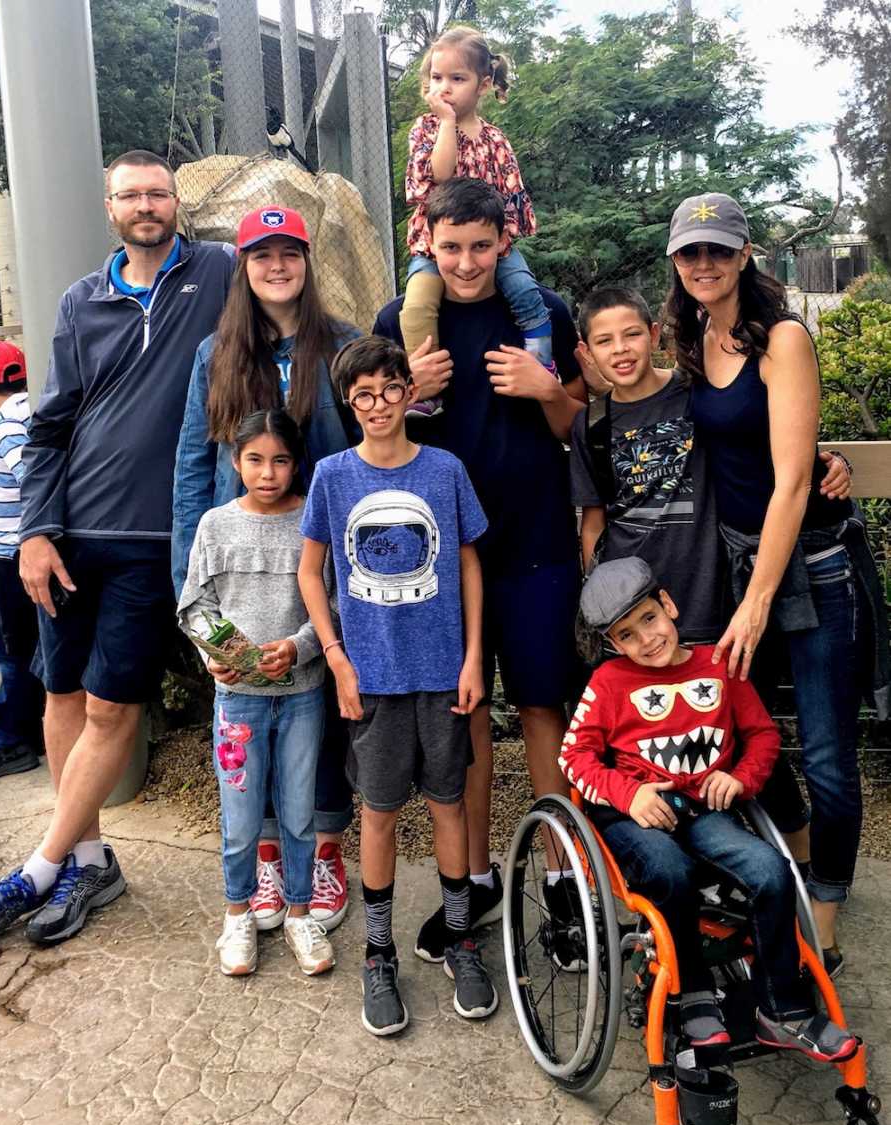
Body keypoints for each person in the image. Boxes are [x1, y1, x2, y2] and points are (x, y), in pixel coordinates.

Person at [0, 149, 235, 945]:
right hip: (68, 534)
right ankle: (89, 858)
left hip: (155, 535)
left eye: (157, 192)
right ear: (110, 207)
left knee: (109, 702)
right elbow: (50, 426)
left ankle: (37, 869)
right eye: (129, 194)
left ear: (177, 201)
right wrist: (34, 530)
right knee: (61, 694)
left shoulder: (219, 274)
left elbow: (294, 304)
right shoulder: (80, 301)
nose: (145, 205)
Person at [664, 191, 890, 977]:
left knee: (827, 754)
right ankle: (795, 861)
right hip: (734, 562)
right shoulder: (693, 338)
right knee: (739, 733)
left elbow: (793, 481)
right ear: (675, 263)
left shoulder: (783, 338)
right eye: (691, 253)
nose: (704, 265)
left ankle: (822, 920)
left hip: (811, 567)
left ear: (745, 255)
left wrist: (758, 599)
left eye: (718, 251)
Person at [374, 177, 587, 962]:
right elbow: (373, 433)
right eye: (451, 247)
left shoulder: (548, 314)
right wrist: (406, 394)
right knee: (461, 724)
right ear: (428, 242)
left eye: (481, 247)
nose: (466, 264)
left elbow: (585, 431)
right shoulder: (401, 321)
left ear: (505, 242)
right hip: (437, 560)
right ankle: (470, 885)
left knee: (540, 711)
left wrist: (548, 392)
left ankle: (563, 890)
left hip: (534, 545)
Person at [561, 556, 858, 1062]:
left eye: (650, 619)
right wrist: (629, 793)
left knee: (771, 869)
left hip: (705, 808)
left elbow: (763, 735)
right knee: (669, 872)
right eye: (628, 634)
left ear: (669, 605)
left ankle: (781, 1009)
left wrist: (740, 777)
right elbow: (573, 756)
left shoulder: (718, 667)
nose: (647, 639)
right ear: (614, 645)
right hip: (636, 814)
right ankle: (692, 992)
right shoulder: (609, 684)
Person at [298, 335, 498, 1036]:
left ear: (410, 393)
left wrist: (474, 658)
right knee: (378, 813)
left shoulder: (444, 470)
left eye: (390, 389)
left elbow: (470, 565)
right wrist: (338, 658)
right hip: (372, 679)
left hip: (442, 672)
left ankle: (461, 937)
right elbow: (309, 571)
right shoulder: (331, 475)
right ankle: (378, 954)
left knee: (449, 805)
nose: (378, 404)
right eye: (363, 394)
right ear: (348, 403)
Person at [172, 205, 361, 937]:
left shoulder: (340, 344)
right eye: (261, 255)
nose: (276, 266)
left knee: (319, 719)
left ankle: (326, 850)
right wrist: (192, 603)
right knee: (252, 726)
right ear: (243, 269)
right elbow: (194, 466)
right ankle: (271, 858)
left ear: (307, 263)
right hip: (242, 573)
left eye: (289, 253)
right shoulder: (214, 354)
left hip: (318, 570)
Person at [569, 286, 852, 645]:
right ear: (587, 351)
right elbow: (594, 522)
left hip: (709, 593)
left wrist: (834, 462)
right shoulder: (591, 426)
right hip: (633, 608)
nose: (621, 349)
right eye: (604, 341)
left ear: (654, 334)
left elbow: (759, 436)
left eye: (632, 334)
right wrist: (602, 594)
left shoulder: (696, 392)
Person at [178, 409, 335, 978]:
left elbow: (335, 605)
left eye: (280, 461)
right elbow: (195, 606)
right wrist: (215, 652)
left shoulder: (313, 523)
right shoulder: (216, 525)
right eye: (255, 460)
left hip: (302, 695)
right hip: (238, 700)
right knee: (241, 818)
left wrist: (299, 646)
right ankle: (238, 913)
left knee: (298, 813)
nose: (267, 473)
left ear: (296, 464)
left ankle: (298, 913)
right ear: (235, 461)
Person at [400, 26, 552, 418]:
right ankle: (426, 390)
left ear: (483, 85)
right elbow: (441, 175)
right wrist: (447, 124)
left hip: (491, 244)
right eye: (436, 78)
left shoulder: (496, 140)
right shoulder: (427, 129)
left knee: (525, 292)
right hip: (433, 243)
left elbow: (511, 192)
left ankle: (542, 362)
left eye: (457, 78)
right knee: (416, 305)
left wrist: (502, 241)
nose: (444, 87)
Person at [0, 341, 45, 776]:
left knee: (11, 651)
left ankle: (13, 740)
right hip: (21, 552)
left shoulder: (6, 424)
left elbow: (33, 484)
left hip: (9, 555)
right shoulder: (31, 408)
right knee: (27, 646)